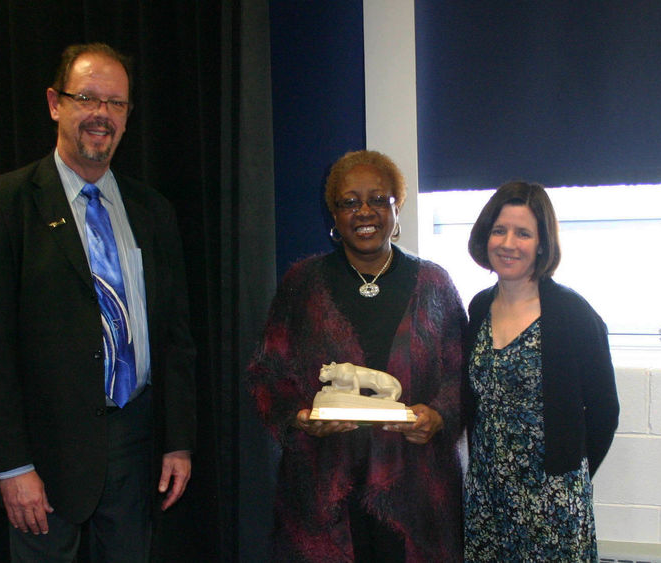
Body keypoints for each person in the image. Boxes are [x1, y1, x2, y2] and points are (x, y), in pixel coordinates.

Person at [0, 42, 196, 561]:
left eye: (116, 104)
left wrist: (177, 440)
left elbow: (175, 337)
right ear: (54, 103)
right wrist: (12, 466)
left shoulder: (152, 210)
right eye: (87, 98)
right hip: (45, 455)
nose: (101, 115)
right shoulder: (5, 204)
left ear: (129, 117)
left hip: (137, 447)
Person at [247, 150, 465, 562]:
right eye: (349, 202)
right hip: (322, 492)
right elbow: (267, 373)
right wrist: (300, 418)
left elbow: (461, 378)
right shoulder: (302, 284)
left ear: (396, 208)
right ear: (334, 214)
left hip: (417, 491)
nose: (364, 211)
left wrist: (438, 417)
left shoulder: (435, 284)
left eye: (378, 199)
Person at [462, 181, 619, 562]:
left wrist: (567, 476)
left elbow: (604, 412)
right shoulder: (479, 307)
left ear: (542, 243)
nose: (508, 243)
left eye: (523, 233)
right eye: (499, 230)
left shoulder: (572, 314)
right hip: (487, 498)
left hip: (551, 504)